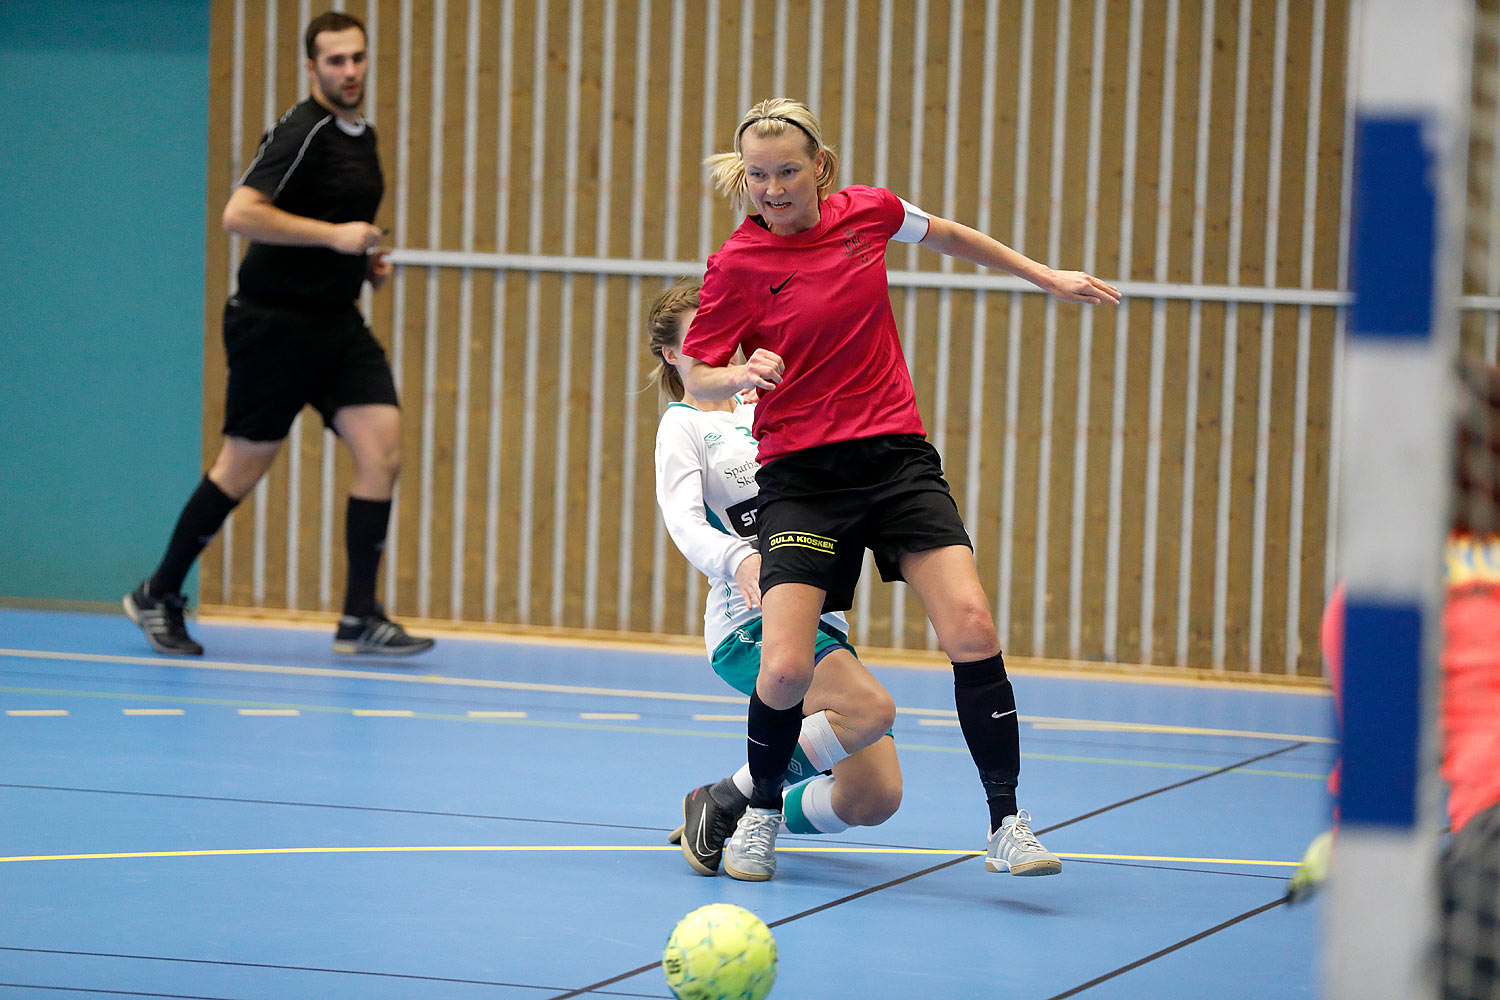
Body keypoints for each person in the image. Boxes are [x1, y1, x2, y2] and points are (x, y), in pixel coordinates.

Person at [679, 98, 1120, 882]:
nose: (773, 189)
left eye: (787, 171)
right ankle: (757, 813)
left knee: (973, 625)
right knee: (783, 669)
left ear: (820, 166)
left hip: (895, 460)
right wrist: (739, 373)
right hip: (805, 477)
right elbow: (699, 372)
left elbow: (947, 234)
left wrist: (1042, 275)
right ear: (743, 178)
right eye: (757, 175)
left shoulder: (867, 214)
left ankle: (1007, 822)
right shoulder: (738, 263)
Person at [124, 11, 432, 658]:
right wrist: (334, 237)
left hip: (337, 323)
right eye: (335, 61)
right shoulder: (302, 131)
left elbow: (338, 222)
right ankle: (158, 591)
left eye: (357, 58)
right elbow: (241, 214)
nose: (349, 71)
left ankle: (359, 618)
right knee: (242, 467)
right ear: (312, 67)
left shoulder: (361, 134)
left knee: (382, 450)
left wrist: (362, 261)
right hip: (274, 325)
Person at [647, 278, 903, 878]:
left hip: (820, 610)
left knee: (873, 798)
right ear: (672, 355)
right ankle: (731, 801)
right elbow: (684, 524)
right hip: (752, 618)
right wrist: (740, 560)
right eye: (701, 342)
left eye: (726, 338)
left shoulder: (767, 405)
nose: (721, 351)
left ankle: (736, 804)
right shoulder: (683, 426)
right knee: (870, 710)